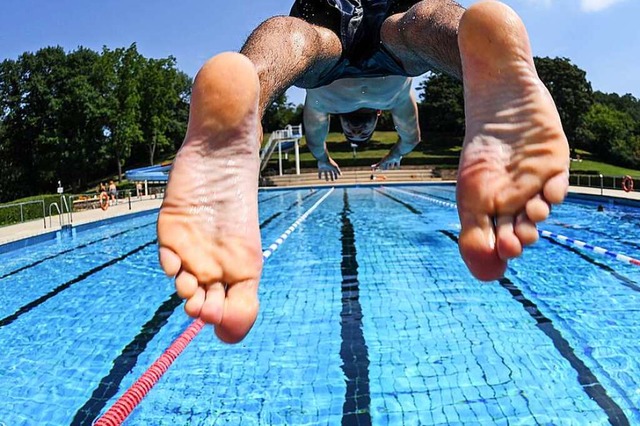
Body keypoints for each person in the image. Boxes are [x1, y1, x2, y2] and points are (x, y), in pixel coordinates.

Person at [157, 0, 570, 343]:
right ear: (375, 120)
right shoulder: (397, 103)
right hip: (389, 58)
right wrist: (391, 155)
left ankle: (251, 85)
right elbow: (410, 139)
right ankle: (474, 45)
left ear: (369, 121)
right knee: (414, 26)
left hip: (331, 61)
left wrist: (324, 160)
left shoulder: (319, 110)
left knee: (301, 38)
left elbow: (321, 144)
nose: (355, 128)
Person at [304, 76, 421, 181]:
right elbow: (411, 139)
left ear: (339, 116)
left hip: (330, 67)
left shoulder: (322, 104)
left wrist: (324, 160)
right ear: (379, 112)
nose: (356, 131)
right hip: (389, 61)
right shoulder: (395, 100)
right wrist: (395, 155)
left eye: (350, 134)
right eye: (364, 134)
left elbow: (315, 142)